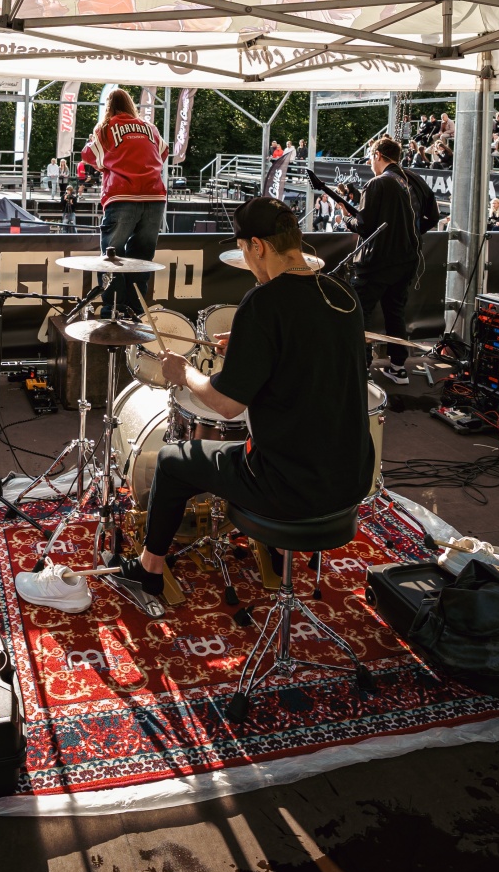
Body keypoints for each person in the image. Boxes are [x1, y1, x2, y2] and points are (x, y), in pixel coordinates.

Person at [96, 197, 372, 614]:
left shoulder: (264, 302)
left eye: (244, 251)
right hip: (352, 477)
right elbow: (308, 354)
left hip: (288, 487)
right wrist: (246, 346)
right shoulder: (342, 294)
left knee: (173, 460)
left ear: (257, 245)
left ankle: (149, 570)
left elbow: (226, 404)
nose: (247, 262)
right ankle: (277, 554)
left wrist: (185, 373)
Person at [82, 88, 167, 317]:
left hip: (122, 196)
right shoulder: (150, 128)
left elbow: (89, 156)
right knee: (142, 258)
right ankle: (135, 310)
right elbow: (163, 152)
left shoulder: (105, 128)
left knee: (112, 257)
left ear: (108, 106)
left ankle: (113, 310)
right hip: (154, 197)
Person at [352, 136, 421, 382]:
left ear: (378, 155)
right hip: (405, 260)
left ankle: (362, 369)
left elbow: (364, 225)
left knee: (360, 312)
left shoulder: (377, 183)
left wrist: (348, 218)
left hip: (378, 262)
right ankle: (399, 367)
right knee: (395, 313)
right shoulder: (407, 181)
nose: (370, 163)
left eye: (370, 158)